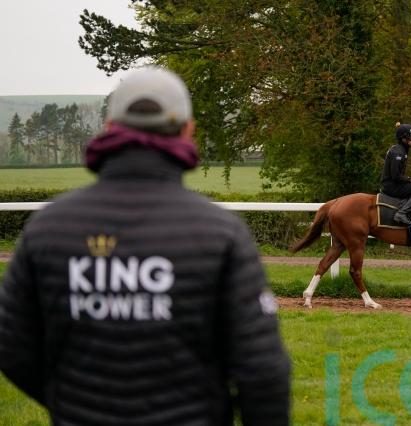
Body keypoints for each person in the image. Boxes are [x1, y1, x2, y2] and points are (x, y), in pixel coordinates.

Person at [0, 67, 291, 425]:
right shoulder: (220, 233)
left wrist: (70, 401)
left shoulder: (48, 228)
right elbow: (263, 370)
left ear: (109, 128)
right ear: (188, 130)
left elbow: (11, 345)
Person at [380, 122, 411, 226]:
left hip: (395, 183)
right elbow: (396, 176)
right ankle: (401, 213)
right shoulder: (398, 153)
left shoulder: (401, 150)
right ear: (403, 139)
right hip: (391, 186)